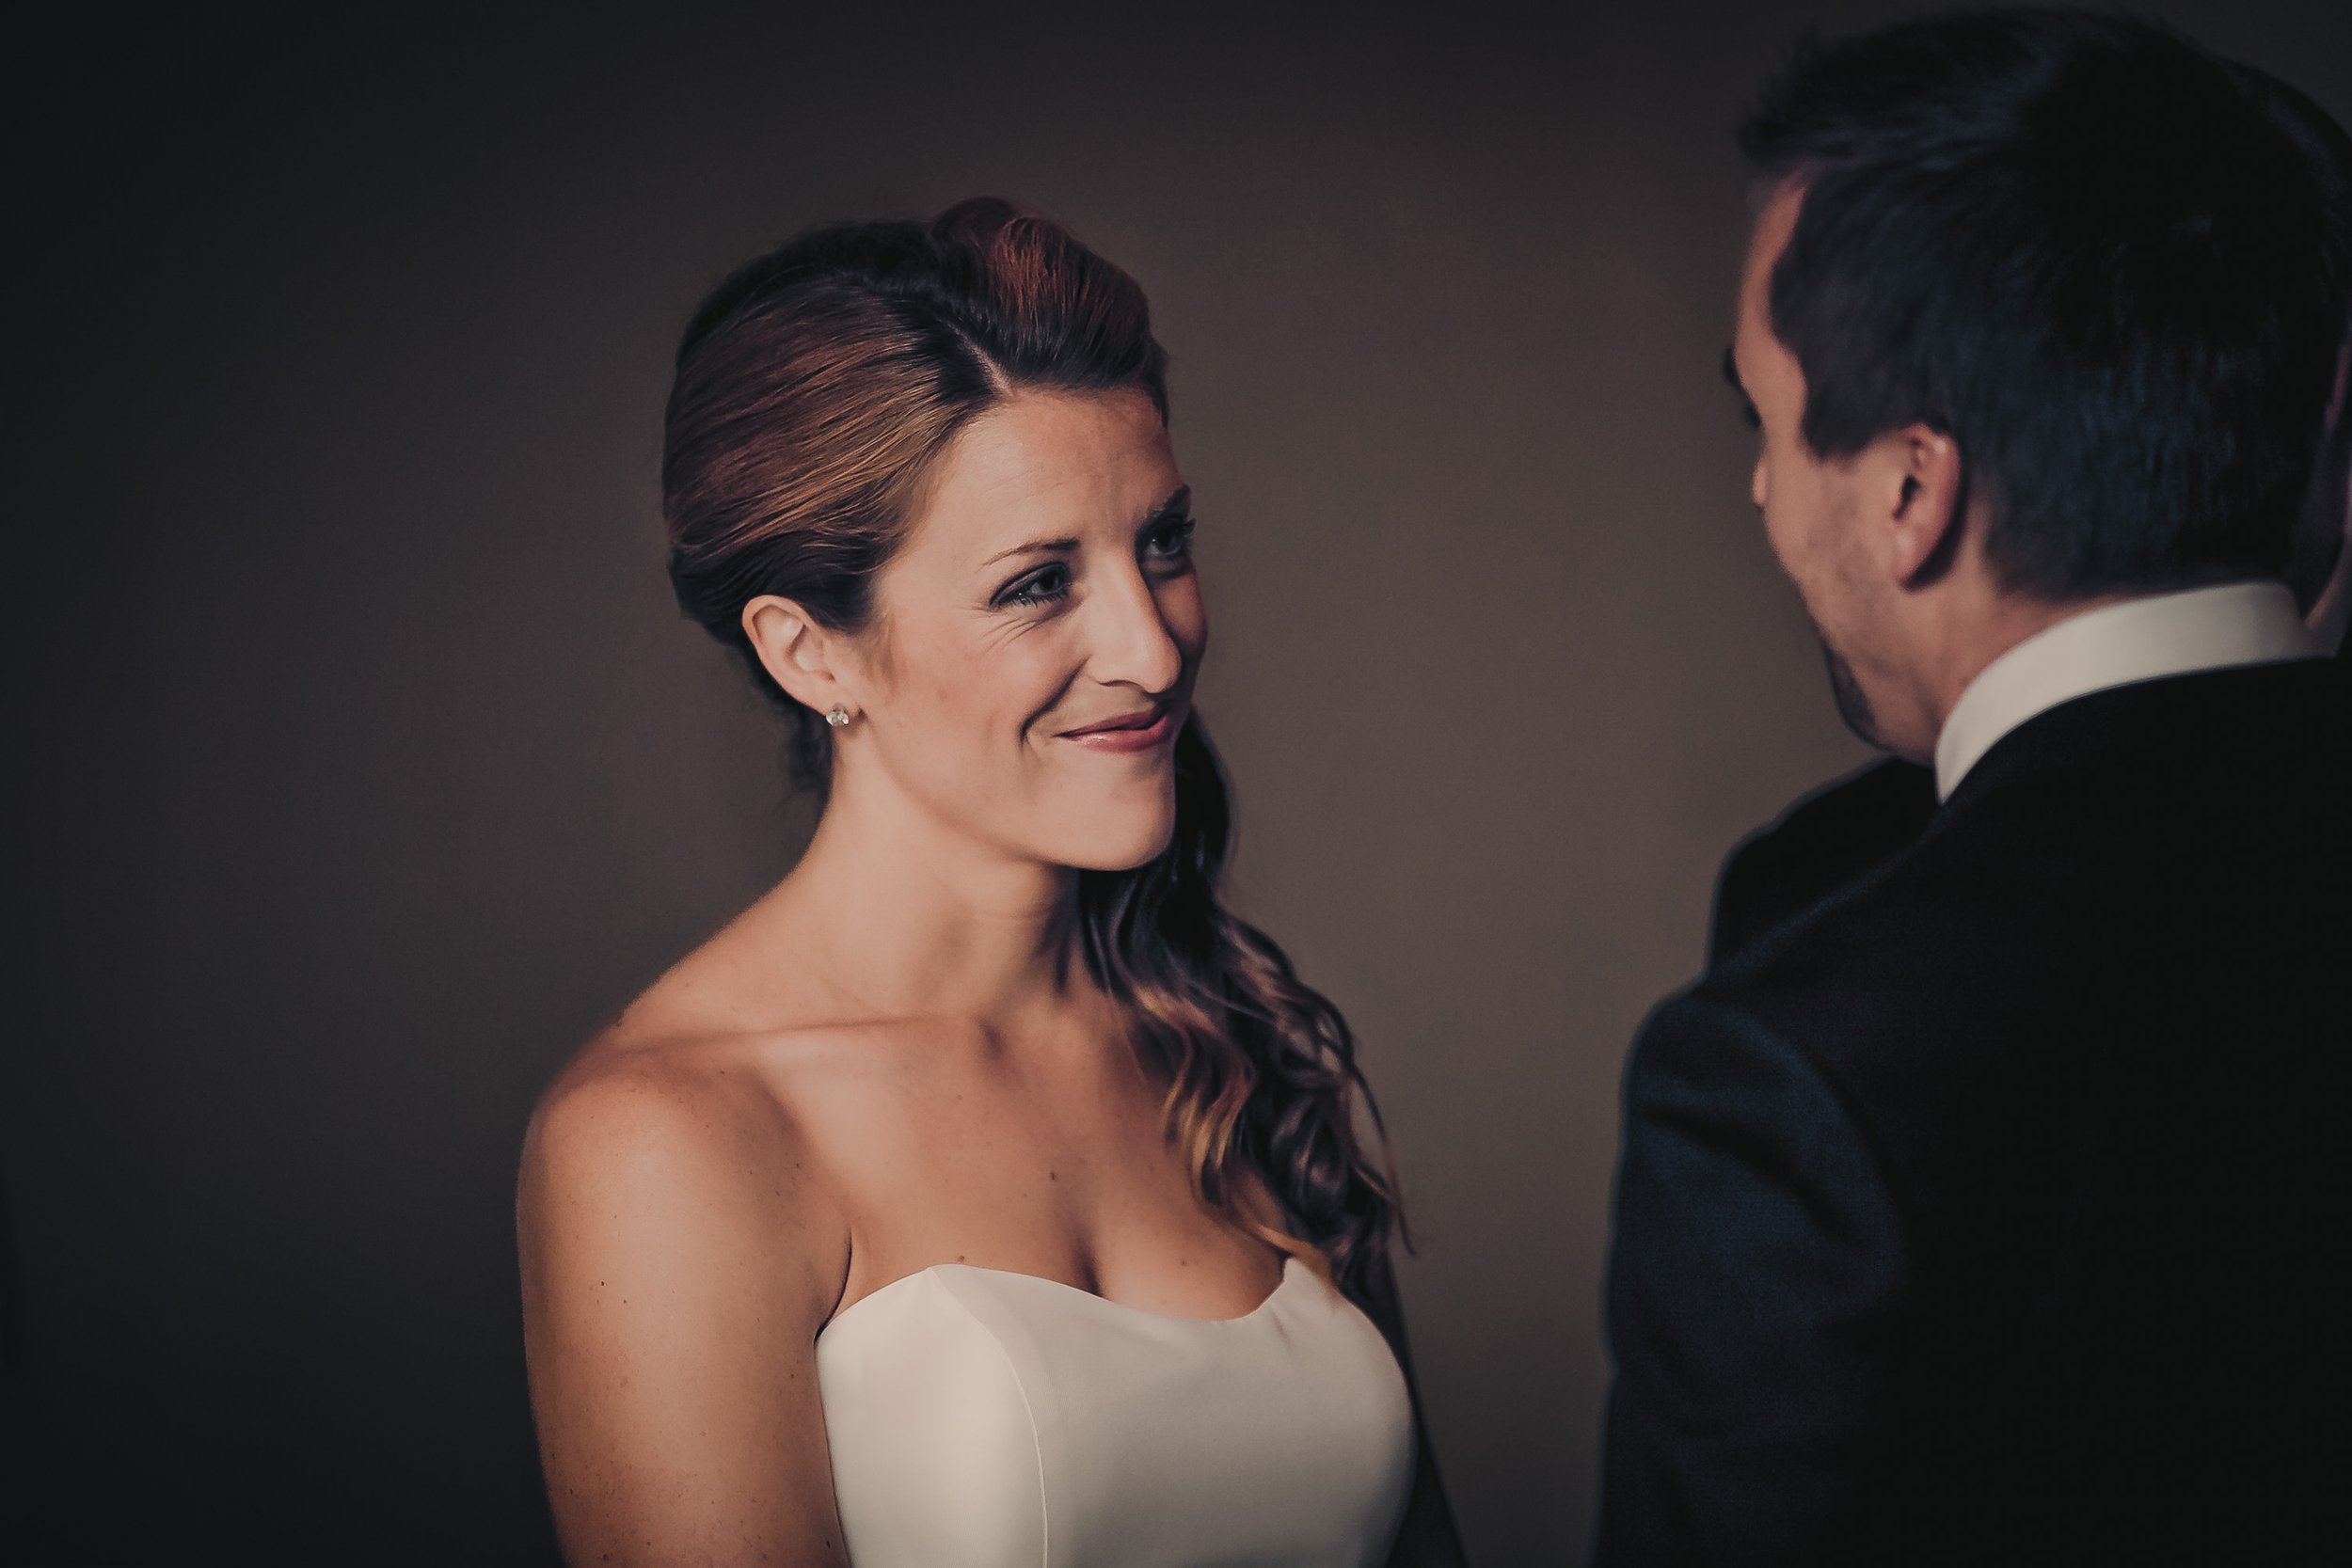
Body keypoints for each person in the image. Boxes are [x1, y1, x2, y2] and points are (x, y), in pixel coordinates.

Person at [516, 201, 1464, 1567]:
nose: (1151, 645)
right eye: (1036, 583)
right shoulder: (671, 1137)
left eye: (1165, 541)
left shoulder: (1229, 1035)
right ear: (810, 655)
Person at [1596, 10, 2350, 1564]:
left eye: (1772, 421)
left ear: (1908, 493)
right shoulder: (1817, 908)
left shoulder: (1793, 1073)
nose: (1756, 486)